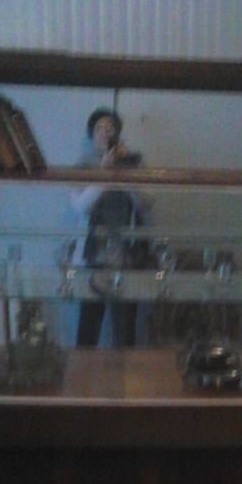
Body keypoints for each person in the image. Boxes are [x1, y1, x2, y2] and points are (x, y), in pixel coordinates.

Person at [70, 108, 149, 347]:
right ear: (91, 134)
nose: (105, 132)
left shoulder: (133, 161)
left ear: (118, 133)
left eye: (110, 127)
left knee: (125, 331)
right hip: (92, 258)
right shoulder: (82, 166)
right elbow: (81, 207)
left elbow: (145, 203)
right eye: (99, 128)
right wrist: (104, 174)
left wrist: (123, 172)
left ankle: (125, 372)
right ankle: (83, 371)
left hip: (127, 257)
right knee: (88, 328)